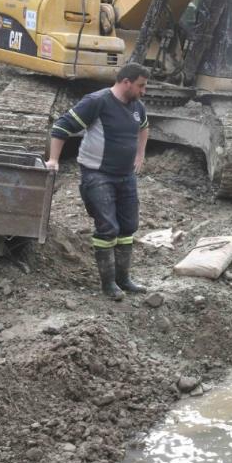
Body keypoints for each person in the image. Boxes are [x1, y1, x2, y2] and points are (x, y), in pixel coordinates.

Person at [48, 63, 151, 301]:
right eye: (141, 86)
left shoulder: (138, 106)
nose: (143, 91)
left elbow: (144, 128)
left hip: (126, 176)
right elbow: (62, 126)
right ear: (126, 82)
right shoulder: (97, 101)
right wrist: (53, 159)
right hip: (98, 175)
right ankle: (108, 284)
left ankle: (124, 279)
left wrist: (140, 154)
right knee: (108, 228)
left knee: (128, 227)